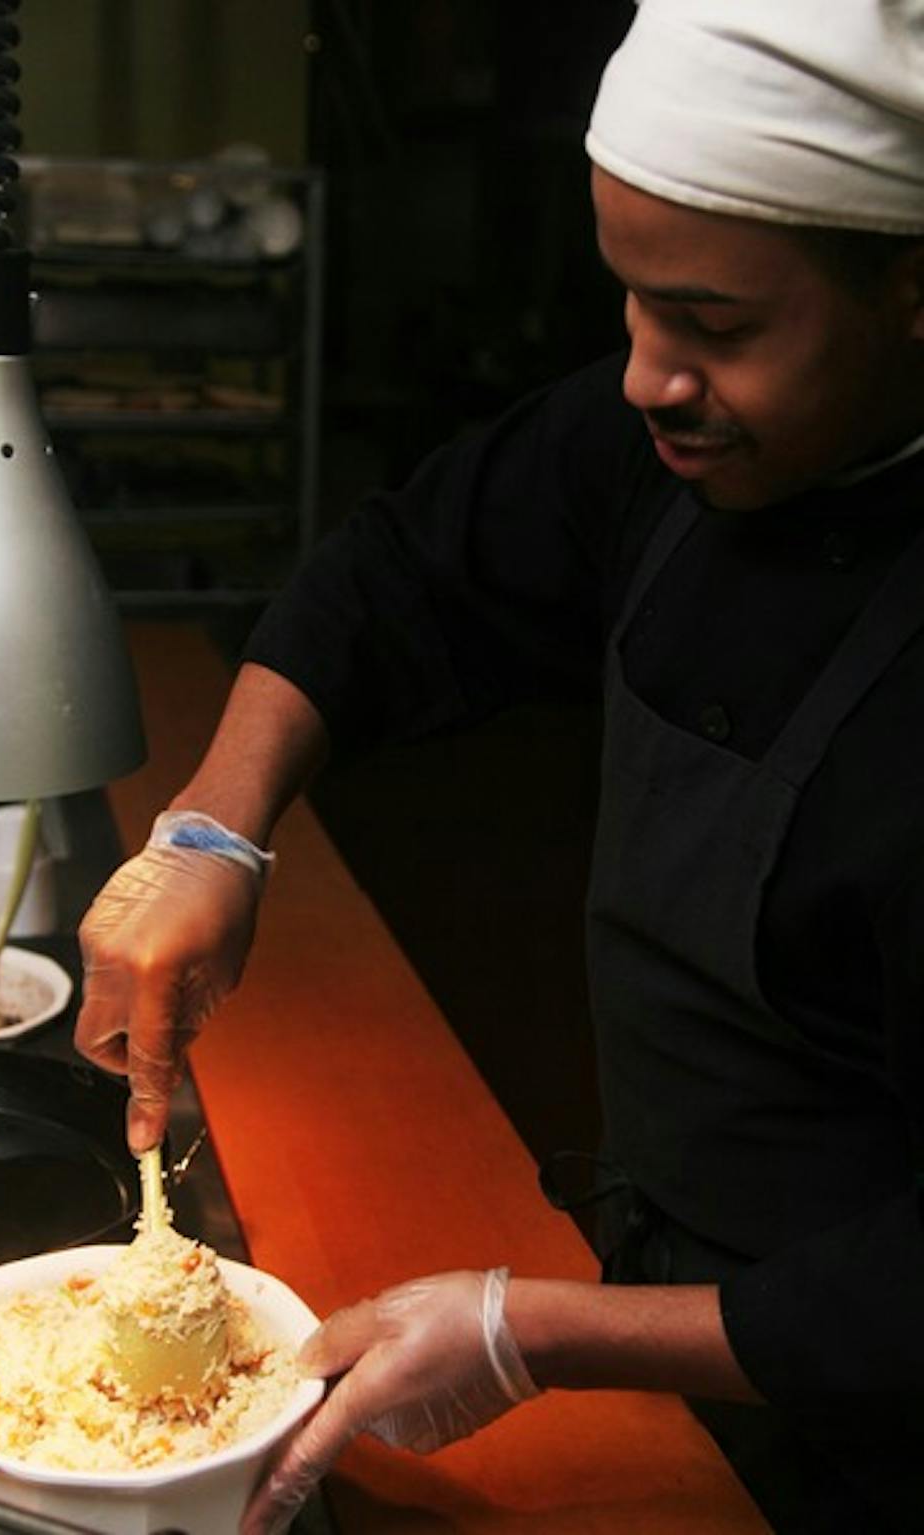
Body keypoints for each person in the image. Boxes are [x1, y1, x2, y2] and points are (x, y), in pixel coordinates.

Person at [75, 1, 924, 1530]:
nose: (642, 378)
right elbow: (403, 575)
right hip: (674, 1307)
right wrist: (216, 830)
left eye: (716, 326)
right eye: (630, 307)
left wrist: (529, 1331)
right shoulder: (667, 435)